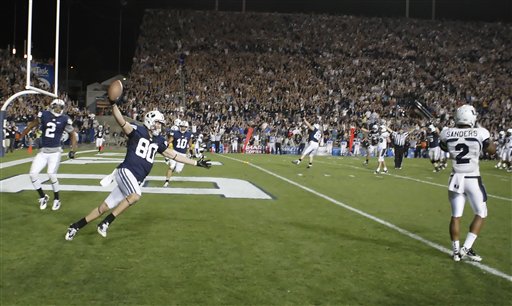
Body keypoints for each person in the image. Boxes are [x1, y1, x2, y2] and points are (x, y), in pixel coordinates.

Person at [65, 82, 211, 241]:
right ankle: (105, 223)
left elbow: (174, 155)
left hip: (133, 178)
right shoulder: (138, 131)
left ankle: (75, 226)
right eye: (158, 123)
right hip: (126, 172)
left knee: (104, 207)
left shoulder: (158, 140)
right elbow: (121, 121)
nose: (160, 127)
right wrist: (113, 104)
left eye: (161, 124)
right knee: (135, 195)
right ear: (150, 121)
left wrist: (196, 162)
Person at [439, 104, 496, 262]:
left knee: (456, 215)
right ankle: (467, 247)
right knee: (481, 213)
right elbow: (492, 150)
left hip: (455, 178)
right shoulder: (481, 132)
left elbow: (443, 146)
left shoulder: (447, 132)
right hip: (472, 178)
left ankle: (456, 252)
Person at [18, 99, 77, 211]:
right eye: (57, 106)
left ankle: (57, 199)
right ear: (52, 106)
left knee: (51, 174)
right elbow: (32, 124)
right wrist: (22, 134)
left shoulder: (65, 119)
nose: (58, 109)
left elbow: (72, 134)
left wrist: (73, 150)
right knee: (33, 174)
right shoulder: (44, 115)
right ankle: (42, 196)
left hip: (55, 152)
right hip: (43, 151)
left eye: (61, 107)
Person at [163, 120, 193, 187]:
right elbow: (169, 141)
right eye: (182, 126)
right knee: (171, 166)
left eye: (185, 127)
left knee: (178, 170)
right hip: (174, 152)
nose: (183, 128)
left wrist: (191, 152)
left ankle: (172, 167)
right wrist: (165, 149)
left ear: (187, 127)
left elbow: (190, 144)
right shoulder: (175, 133)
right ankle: (167, 181)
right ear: (179, 126)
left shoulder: (189, 134)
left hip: (183, 154)